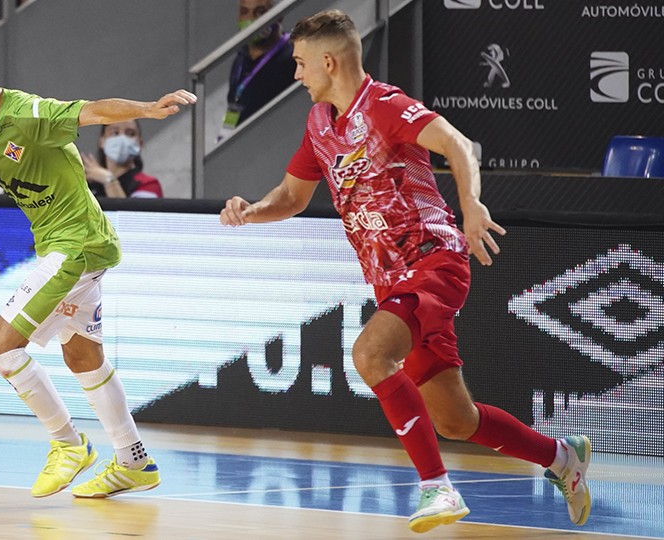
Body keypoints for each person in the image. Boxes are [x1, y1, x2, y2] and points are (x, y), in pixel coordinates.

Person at [219, 10, 591, 534]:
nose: (296, 74)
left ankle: (435, 487)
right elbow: (291, 197)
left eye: (301, 64)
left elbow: (458, 145)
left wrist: (472, 206)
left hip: (434, 261)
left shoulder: (386, 106)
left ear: (329, 61)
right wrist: (250, 210)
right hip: (391, 282)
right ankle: (560, 457)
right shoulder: (320, 124)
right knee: (456, 420)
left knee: (370, 353)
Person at [0, 30, 196, 498]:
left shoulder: (26, 114)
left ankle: (68, 443)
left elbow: (92, 111)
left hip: (76, 246)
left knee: (0, 346)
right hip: (71, 247)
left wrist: (146, 108)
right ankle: (134, 460)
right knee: (81, 356)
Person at [218, 0, 297, 142]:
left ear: (278, 16)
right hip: (241, 148)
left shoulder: (294, 59)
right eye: (244, 12)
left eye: (260, 12)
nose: (251, 19)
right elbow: (234, 106)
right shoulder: (240, 60)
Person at [82, 120, 163, 199]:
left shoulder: (148, 184)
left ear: (140, 144)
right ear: (102, 141)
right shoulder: (88, 185)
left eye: (131, 134)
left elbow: (131, 212)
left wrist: (109, 180)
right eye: (115, 133)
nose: (122, 138)